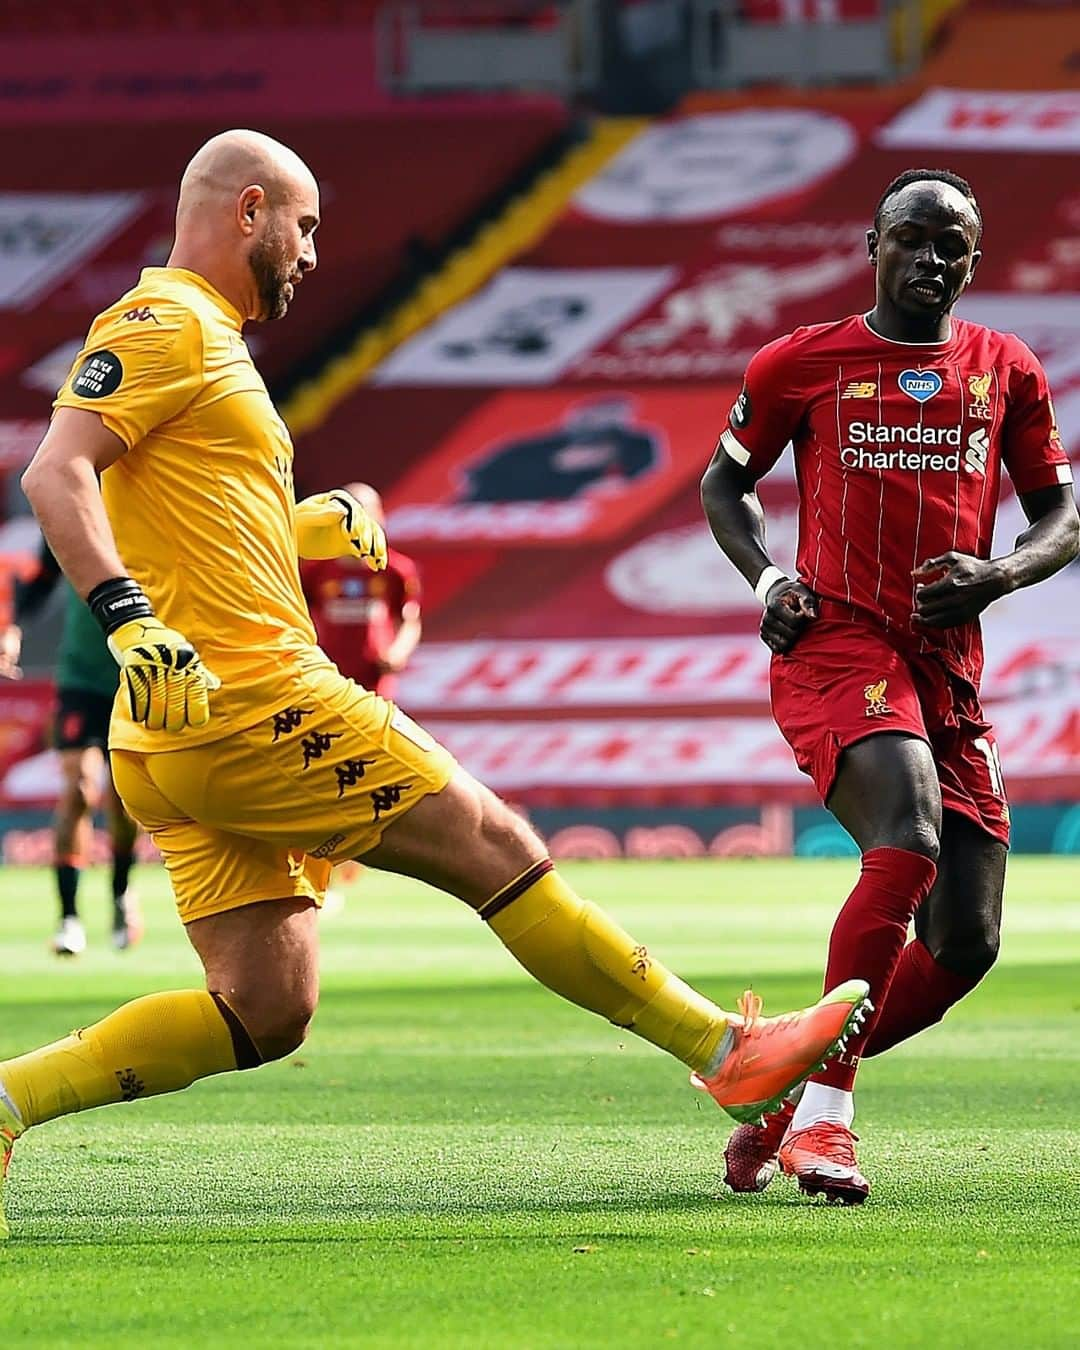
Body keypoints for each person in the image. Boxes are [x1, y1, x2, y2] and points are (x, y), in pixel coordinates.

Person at [0, 130, 868, 1237]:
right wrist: (124, 620)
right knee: (494, 846)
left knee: (266, 1009)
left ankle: (5, 1103)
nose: (313, 254)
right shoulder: (164, 322)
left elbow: (191, 516)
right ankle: (726, 1050)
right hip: (253, 699)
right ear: (250, 211)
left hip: (178, 738)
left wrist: (312, 518)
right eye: (306, 227)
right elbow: (55, 470)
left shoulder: (210, 344)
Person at [700, 168, 1078, 1204]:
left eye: (950, 245)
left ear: (974, 261)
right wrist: (769, 577)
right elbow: (724, 480)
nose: (930, 259)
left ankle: (775, 1092)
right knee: (905, 835)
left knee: (966, 942)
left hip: (948, 672)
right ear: (872, 244)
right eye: (911, 238)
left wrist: (1000, 574)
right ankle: (826, 1123)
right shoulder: (802, 362)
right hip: (836, 645)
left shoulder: (1007, 369)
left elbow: (1063, 515)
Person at [3, 544, 141, 954]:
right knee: (78, 789)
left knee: (124, 798)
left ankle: (120, 891)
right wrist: (11, 627)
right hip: (80, 678)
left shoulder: (153, 511)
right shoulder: (73, 514)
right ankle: (69, 919)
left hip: (134, 676)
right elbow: (39, 580)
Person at [301, 483, 421, 701]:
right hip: (327, 677)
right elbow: (297, 614)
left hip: (374, 681)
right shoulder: (313, 570)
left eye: (365, 512)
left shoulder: (396, 570)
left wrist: (397, 653)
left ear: (380, 516)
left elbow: (409, 620)